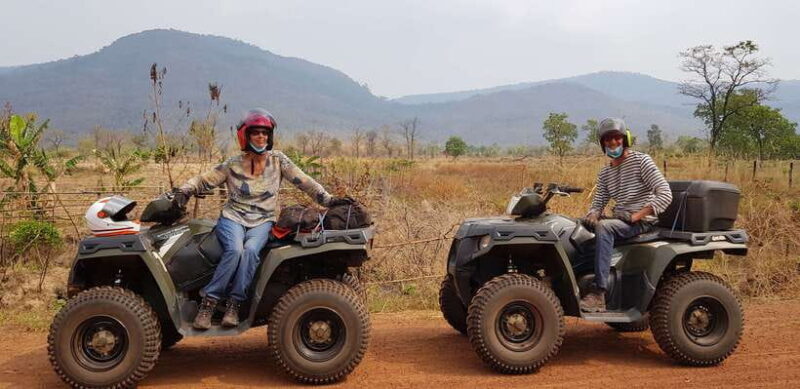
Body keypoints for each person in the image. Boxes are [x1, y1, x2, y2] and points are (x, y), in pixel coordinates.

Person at [174, 108, 351, 329]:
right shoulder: (233, 164)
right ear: (246, 136)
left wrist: (329, 200)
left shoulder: (278, 161)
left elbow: (305, 181)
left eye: (265, 133)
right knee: (234, 250)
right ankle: (208, 304)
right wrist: (184, 191)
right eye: (256, 133)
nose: (261, 137)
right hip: (233, 218)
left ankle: (234, 305)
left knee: (250, 252)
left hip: (262, 221)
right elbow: (205, 179)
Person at [580, 118, 672, 313]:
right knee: (576, 227)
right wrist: (592, 214)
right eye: (608, 140)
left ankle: (599, 293)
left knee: (605, 227)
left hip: (641, 222)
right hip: (621, 220)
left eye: (616, 138)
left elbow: (665, 193)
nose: (612, 143)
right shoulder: (606, 173)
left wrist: (637, 215)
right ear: (602, 144)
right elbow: (598, 202)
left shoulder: (641, 161)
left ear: (625, 140)